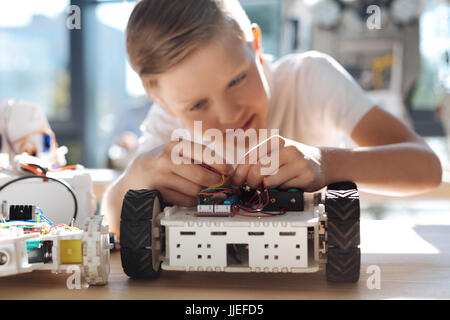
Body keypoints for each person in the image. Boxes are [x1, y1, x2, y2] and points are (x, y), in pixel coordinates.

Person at [101, 0, 442, 238]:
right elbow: (112, 225)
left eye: (237, 80)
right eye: (197, 105)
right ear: (166, 104)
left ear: (257, 46)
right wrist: (138, 173)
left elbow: (426, 168)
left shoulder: (309, 79)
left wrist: (326, 163)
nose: (230, 113)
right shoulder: (166, 126)